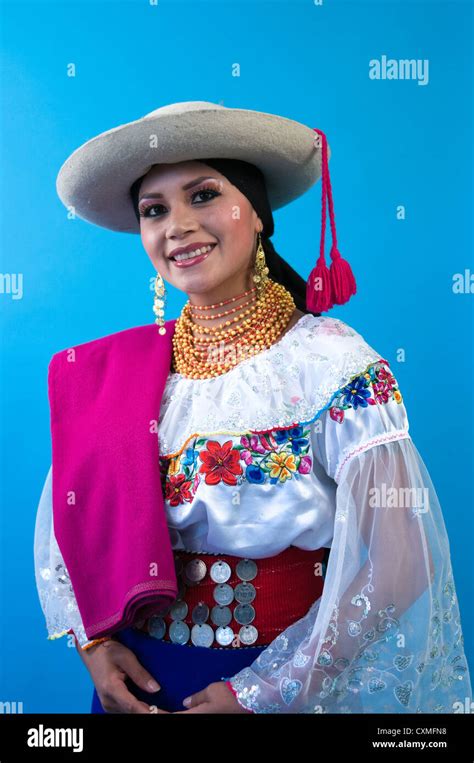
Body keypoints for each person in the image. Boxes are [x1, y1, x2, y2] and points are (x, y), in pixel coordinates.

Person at [34, 100, 472, 714]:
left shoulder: (329, 362)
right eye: (154, 211)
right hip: (142, 684)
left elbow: (401, 561)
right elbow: (70, 522)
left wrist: (264, 693)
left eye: (203, 195)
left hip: (273, 679)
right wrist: (96, 643)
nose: (177, 225)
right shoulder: (111, 375)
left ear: (257, 215)